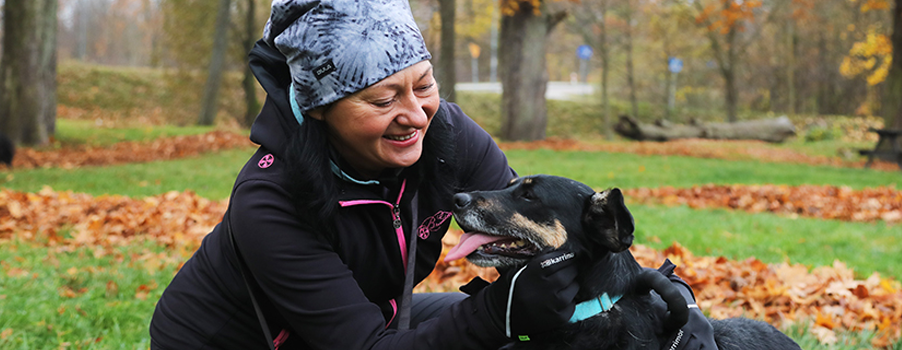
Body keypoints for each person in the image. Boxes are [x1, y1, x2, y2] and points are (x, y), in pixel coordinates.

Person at [149, 1, 580, 349]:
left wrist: (636, 289)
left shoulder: (447, 133)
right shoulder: (269, 199)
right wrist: (494, 314)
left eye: (424, 85)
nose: (416, 116)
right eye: (382, 100)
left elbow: (532, 234)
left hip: (375, 319)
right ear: (318, 108)